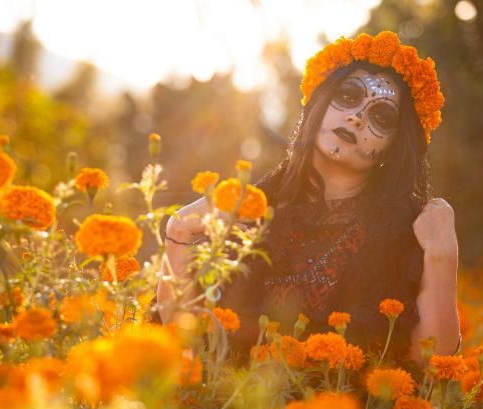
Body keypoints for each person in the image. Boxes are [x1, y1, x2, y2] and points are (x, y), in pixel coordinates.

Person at [157, 31, 460, 368]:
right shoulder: (251, 212)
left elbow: (430, 364)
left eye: (381, 118)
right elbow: (180, 341)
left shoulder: (405, 230)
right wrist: (179, 233)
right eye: (347, 96)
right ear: (319, 101)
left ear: (393, 145)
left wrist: (442, 257)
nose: (356, 117)